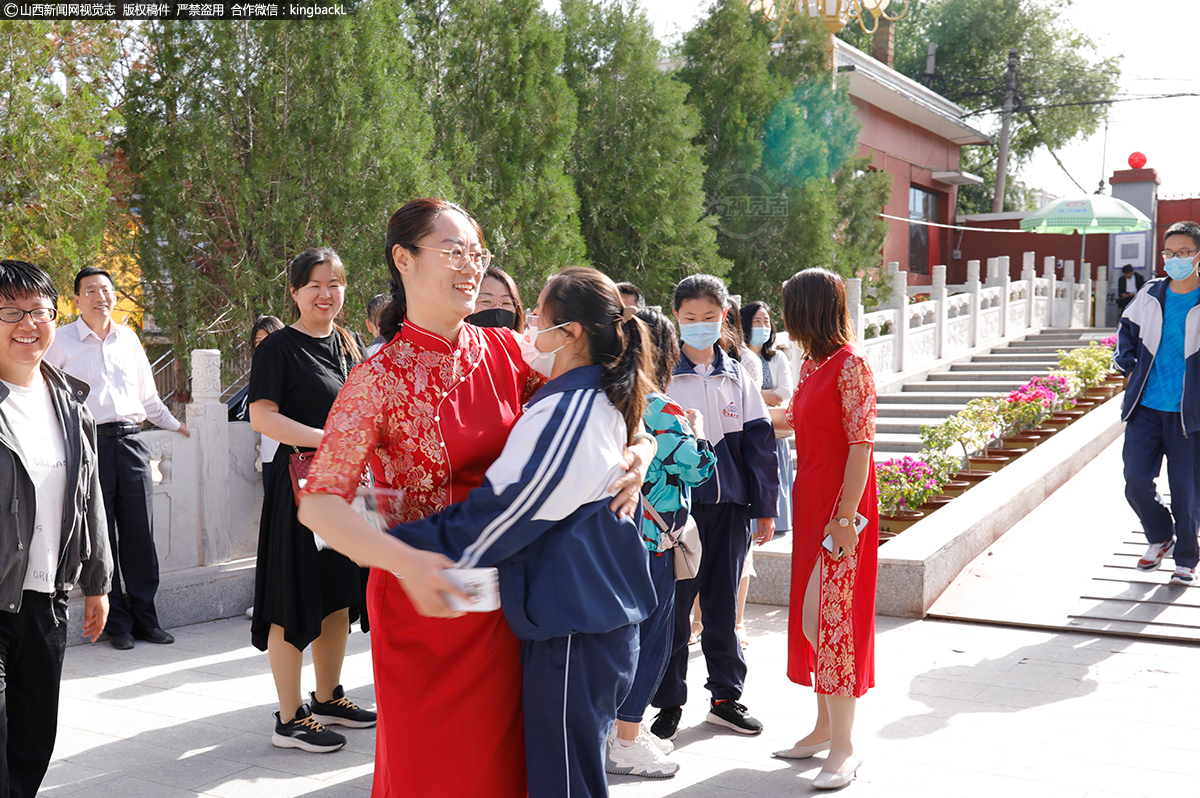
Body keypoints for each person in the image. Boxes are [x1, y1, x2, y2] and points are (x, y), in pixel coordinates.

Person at [296, 200, 654, 797]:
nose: (470, 265)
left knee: (518, 772)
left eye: (477, 252)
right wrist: (409, 561)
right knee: (437, 775)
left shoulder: (507, 352)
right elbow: (321, 504)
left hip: (513, 600)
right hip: (423, 602)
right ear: (402, 259)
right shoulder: (376, 379)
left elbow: (608, 387)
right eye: (453, 250)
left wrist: (638, 453)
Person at [247, 246, 375, 754]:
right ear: (295, 291)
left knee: (337, 595)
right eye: (315, 285)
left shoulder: (348, 343)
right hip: (298, 485)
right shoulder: (277, 348)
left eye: (335, 284)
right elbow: (262, 417)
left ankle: (327, 697)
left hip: (344, 486)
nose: (326, 294)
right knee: (292, 597)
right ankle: (288, 716)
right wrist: (329, 438)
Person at [0, 259, 112, 798]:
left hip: (47, 598)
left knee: (33, 739)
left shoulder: (70, 401)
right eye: (11, 312)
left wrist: (99, 580)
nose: (28, 323)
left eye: (40, 311)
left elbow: (88, 498)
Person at [650, 274, 778, 741]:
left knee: (724, 605)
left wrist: (764, 505)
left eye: (709, 317)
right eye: (690, 318)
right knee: (676, 608)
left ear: (724, 316)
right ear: (676, 317)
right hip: (679, 511)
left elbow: (760, 445)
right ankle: (668, 702)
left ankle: (726, 698)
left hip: (731, 508)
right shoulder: (663, 372)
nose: (700, 326)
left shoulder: (737, 374)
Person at [771, 267, 878, 790]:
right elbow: (789, 421)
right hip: (811, 500)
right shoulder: (813, 365)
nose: (783, 317)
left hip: (840, 508)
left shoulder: (850, 365)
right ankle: (821, 729)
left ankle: (845, 746)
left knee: (828, 622)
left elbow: (862, 445)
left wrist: (844, 519)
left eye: (789, 305)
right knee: (817, 620)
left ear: (808, 308)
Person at [46, 266, 189, 651]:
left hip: (131, 442)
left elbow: (148, 399)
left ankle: (147, 618)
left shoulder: (128, 339)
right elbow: (50, 399)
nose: (100, 296)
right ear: (75, 300)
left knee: (140, 534)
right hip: (88, 446)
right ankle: (117, 623)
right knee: (100, 535)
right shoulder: (60, 343)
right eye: (90, 290)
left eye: (106, 289)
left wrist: (178, 426)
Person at [606, 307, 715, 780]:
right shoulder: (660, 408)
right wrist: (699, 431)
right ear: (664, 352)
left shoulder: (605, 398)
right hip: (653, 543)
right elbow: (698, 470)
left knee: (617, 641)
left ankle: (614, 728)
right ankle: (626, 739)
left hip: (611, 539)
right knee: (651, 642)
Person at [1117, 220, 1200, 587]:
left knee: (1186, 491)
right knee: (1135, 480)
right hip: (1146, 408)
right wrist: (1128, 367)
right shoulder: (1150, 293)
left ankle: (1186, 558)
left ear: (1198, 256)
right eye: (1170, 253)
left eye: (1184, 252)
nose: (1176, 259)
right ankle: (1161, 533)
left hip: (1188, 415)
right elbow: (1126, 333)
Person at [469, 264, 525, 331]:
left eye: (506, 303)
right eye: (486, 301)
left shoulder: (523, 341)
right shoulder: (457, 340)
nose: (498, 309)